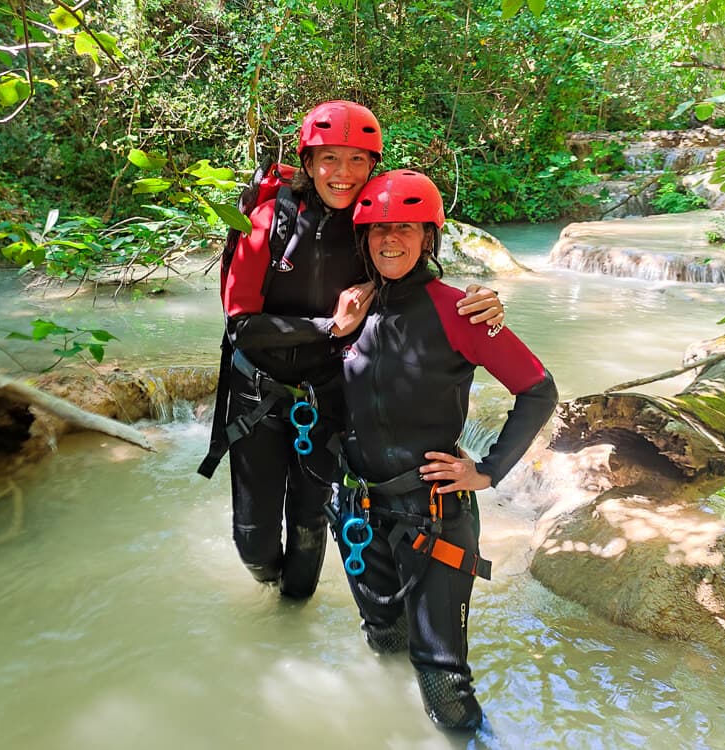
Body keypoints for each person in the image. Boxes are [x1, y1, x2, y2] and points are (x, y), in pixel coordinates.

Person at [212, 101, 506, 600]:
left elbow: (418, 285)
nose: (342, 173)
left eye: (356, 160)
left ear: (373, 165)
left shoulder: (375, 222)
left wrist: (481, 303)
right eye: (329, 159)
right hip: (257, 394)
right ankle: (270, 583)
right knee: (254, 541)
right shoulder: (268, 220)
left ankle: (292, 618)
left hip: (329, 398)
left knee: (309, 521)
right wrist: (330, 326)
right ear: (307, 163)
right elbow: (241, 327)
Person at [329, 169, 558, 731]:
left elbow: (537, 389)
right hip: (356, 507)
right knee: (383, 637)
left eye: (405, 228)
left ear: (428, 237)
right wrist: (335, 334)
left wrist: (488, 470)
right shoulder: (351, 309)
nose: (390, 240)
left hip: (431, 513)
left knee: (444, 684)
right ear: (362, 239)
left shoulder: (463, 311)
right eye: (379, 229)